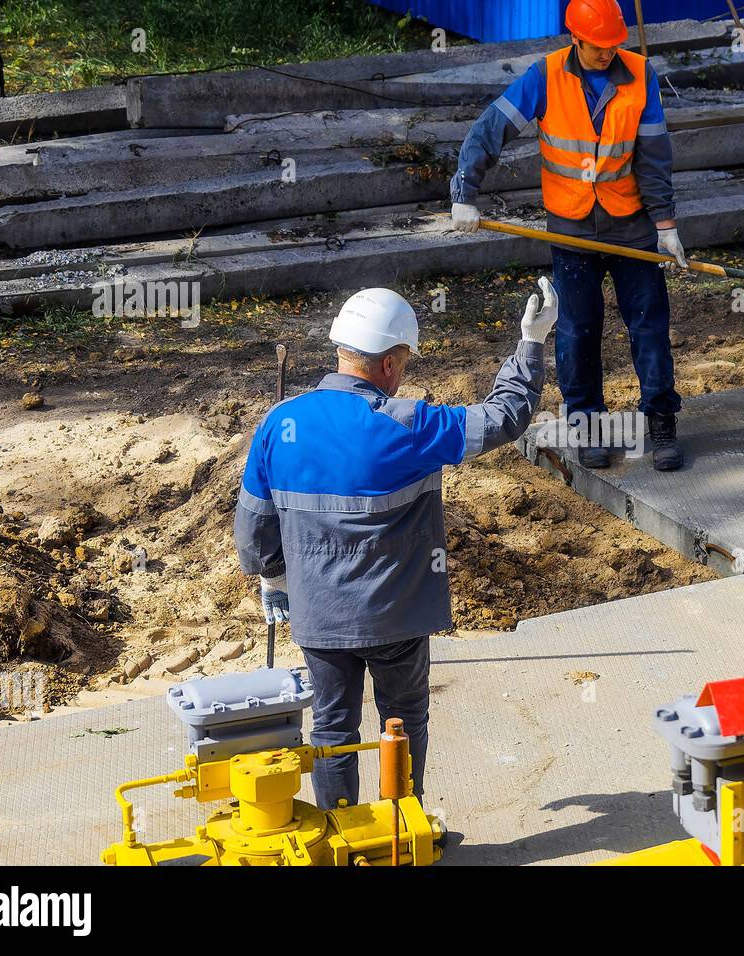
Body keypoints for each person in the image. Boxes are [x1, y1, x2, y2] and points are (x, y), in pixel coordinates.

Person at [233, 279, 557, 808]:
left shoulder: (280, 422)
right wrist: (530, 343)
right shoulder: (410, 424)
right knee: (402, 721)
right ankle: (401, 828)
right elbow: (503, 418)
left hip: (319, 616)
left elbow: (253, 529)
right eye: (403, 360)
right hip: (396, 616)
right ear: (388, 364)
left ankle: (342, 835)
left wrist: (272, 576)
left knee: (332, 729)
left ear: (342, 350)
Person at [450, 0, 685, 471]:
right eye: (599, 47)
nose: (608, 54)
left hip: (630, 224)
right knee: (578, 330)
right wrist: (465, 191)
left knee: (649, 325)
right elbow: (491, 127)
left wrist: (665, 226)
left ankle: (660, 420)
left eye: (614, 45)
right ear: (575, 39)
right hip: (572, 226)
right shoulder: (546, 75)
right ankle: (587, 425)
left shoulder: (640, 75)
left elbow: (653, 157)